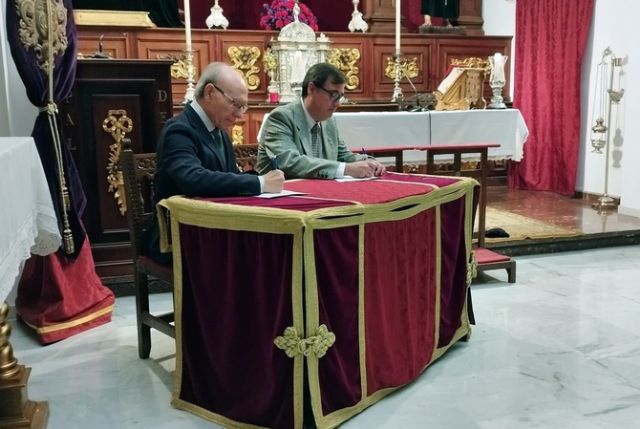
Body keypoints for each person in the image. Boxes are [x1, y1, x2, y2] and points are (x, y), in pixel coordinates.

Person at [144, 62, 285, 264]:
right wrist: (260, 184)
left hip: (212, 226)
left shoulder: (219, 132)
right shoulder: (179, 130)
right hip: (177, 232)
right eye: (236, 104)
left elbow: (226, 176)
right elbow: (192, 179)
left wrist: (257, 178)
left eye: (243, 107)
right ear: (210, 92)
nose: (240, 114)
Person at [256, 62, 385, 179]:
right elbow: (291, 163)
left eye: (340, 97)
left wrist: (368, 162)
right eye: (333, 95)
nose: (337, 104)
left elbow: (343, 156)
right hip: (280, 197)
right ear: (311, 89)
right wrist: (346, 169)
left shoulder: (328, 121)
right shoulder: (281, 118)